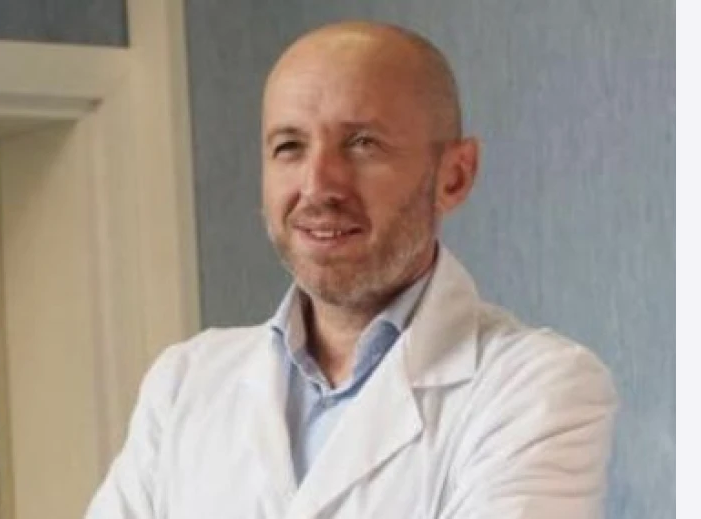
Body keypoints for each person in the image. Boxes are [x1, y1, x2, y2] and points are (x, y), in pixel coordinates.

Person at [85, 21, 617, 519]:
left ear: (454, 176)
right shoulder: (185, 382)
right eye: (289, 147)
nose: (318, 185)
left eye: (363, 144)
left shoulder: (539, 386)